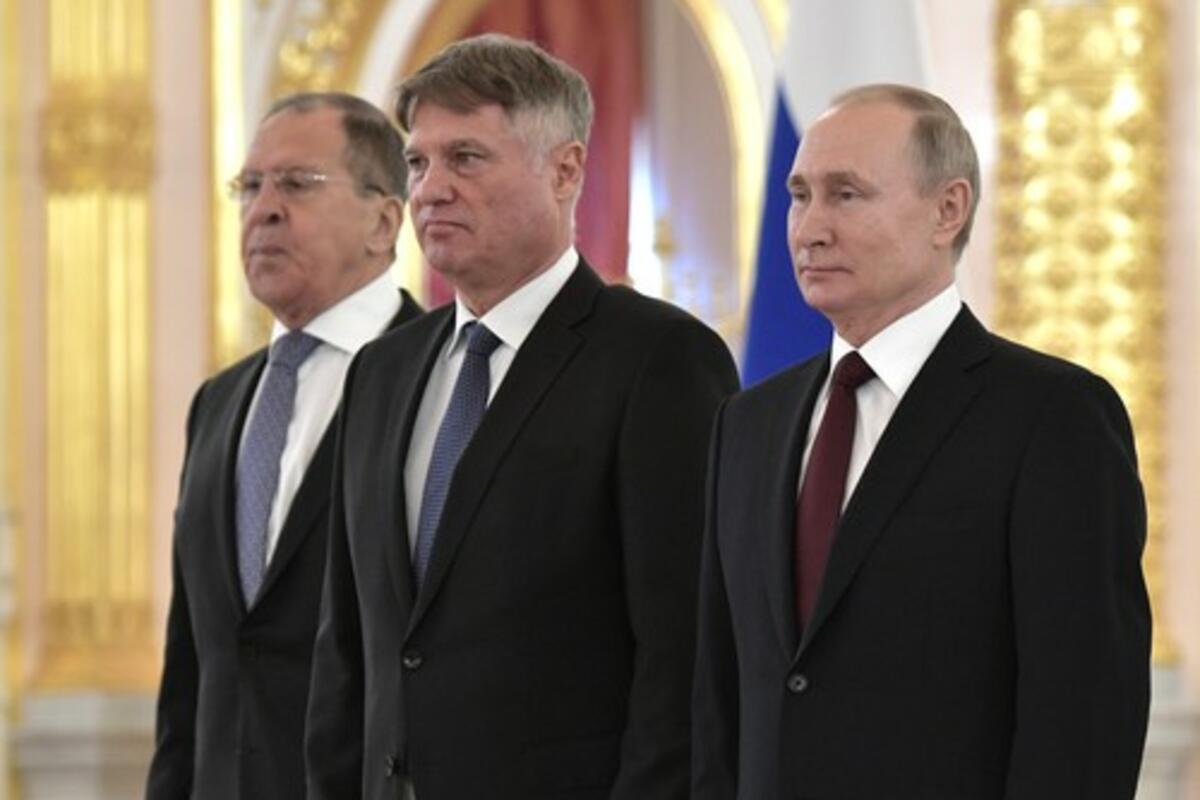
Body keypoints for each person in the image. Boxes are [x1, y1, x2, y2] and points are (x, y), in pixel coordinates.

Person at [305, 34, 739, 800]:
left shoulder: (659, 361)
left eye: (466, 158)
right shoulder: (381, 372)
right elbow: (348, 651)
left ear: (566, 171)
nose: (431, 190)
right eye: (418, 162)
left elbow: (683, 662)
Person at [692, 84, 1151, 799]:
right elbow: (719, 703)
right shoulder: (748, 424)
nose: (810, 228)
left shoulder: (1051, 416)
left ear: (948, 210)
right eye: (799, 195)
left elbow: (1083, 718)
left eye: (846, 194)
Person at [145, 92, 422, 800]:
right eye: (250, 186)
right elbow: (193, 667)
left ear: (383, 222)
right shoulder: (219, 404)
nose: (263, 209)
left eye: (297, 183)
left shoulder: (437, 381)